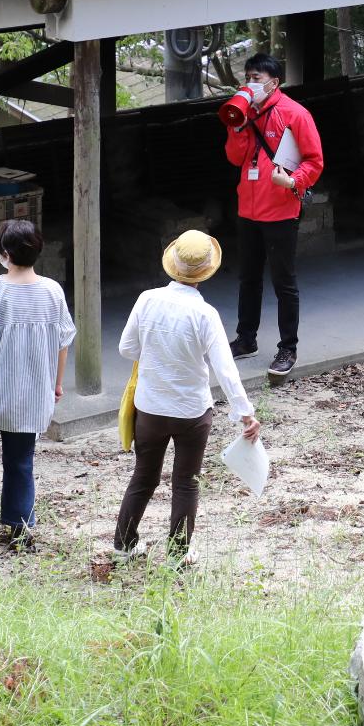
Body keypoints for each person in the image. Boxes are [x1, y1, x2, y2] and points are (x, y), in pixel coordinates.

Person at [112, 231, 262, 564]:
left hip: (149, 408)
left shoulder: (146, 300)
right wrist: (245, 414)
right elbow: (225, 370)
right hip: (192, 413)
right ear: (206, 272)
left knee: (143, 476)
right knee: (185, 483)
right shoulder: (205, 314)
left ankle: (123, 544)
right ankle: (178, 553)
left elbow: (126, 348)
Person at [0, 219, 75, 557]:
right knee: (20, 464)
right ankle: (19, 531)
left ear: (4, 253)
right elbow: (63, 341)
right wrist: (57, 384)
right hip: (31, 397)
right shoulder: (52, 291)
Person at [221, 53, 324, 384]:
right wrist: (237, 127)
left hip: (280, 209)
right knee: (248, 278)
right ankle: (246, 338)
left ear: (274, 82)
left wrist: (293, 181)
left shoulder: (295, 114)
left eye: (257, 78)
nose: (251, 83)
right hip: (248, 209)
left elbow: (314, 160)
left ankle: (287, 348)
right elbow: (236, 157)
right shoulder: (245, 111)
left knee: (284, 282)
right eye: (248, 76)